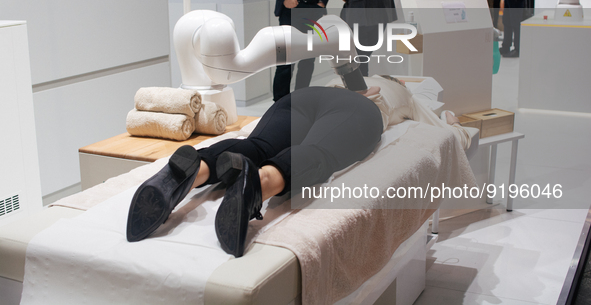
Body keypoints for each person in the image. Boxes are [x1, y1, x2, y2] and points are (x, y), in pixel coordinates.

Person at [126, 76, 472, 258]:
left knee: (256, 145)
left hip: (303, 97)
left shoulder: (346, 75)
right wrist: (454, 124)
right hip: (355, 110)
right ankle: (259, 185)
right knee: (316, 152)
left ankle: (195, 168)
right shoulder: (403, 93)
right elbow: (443, 128)